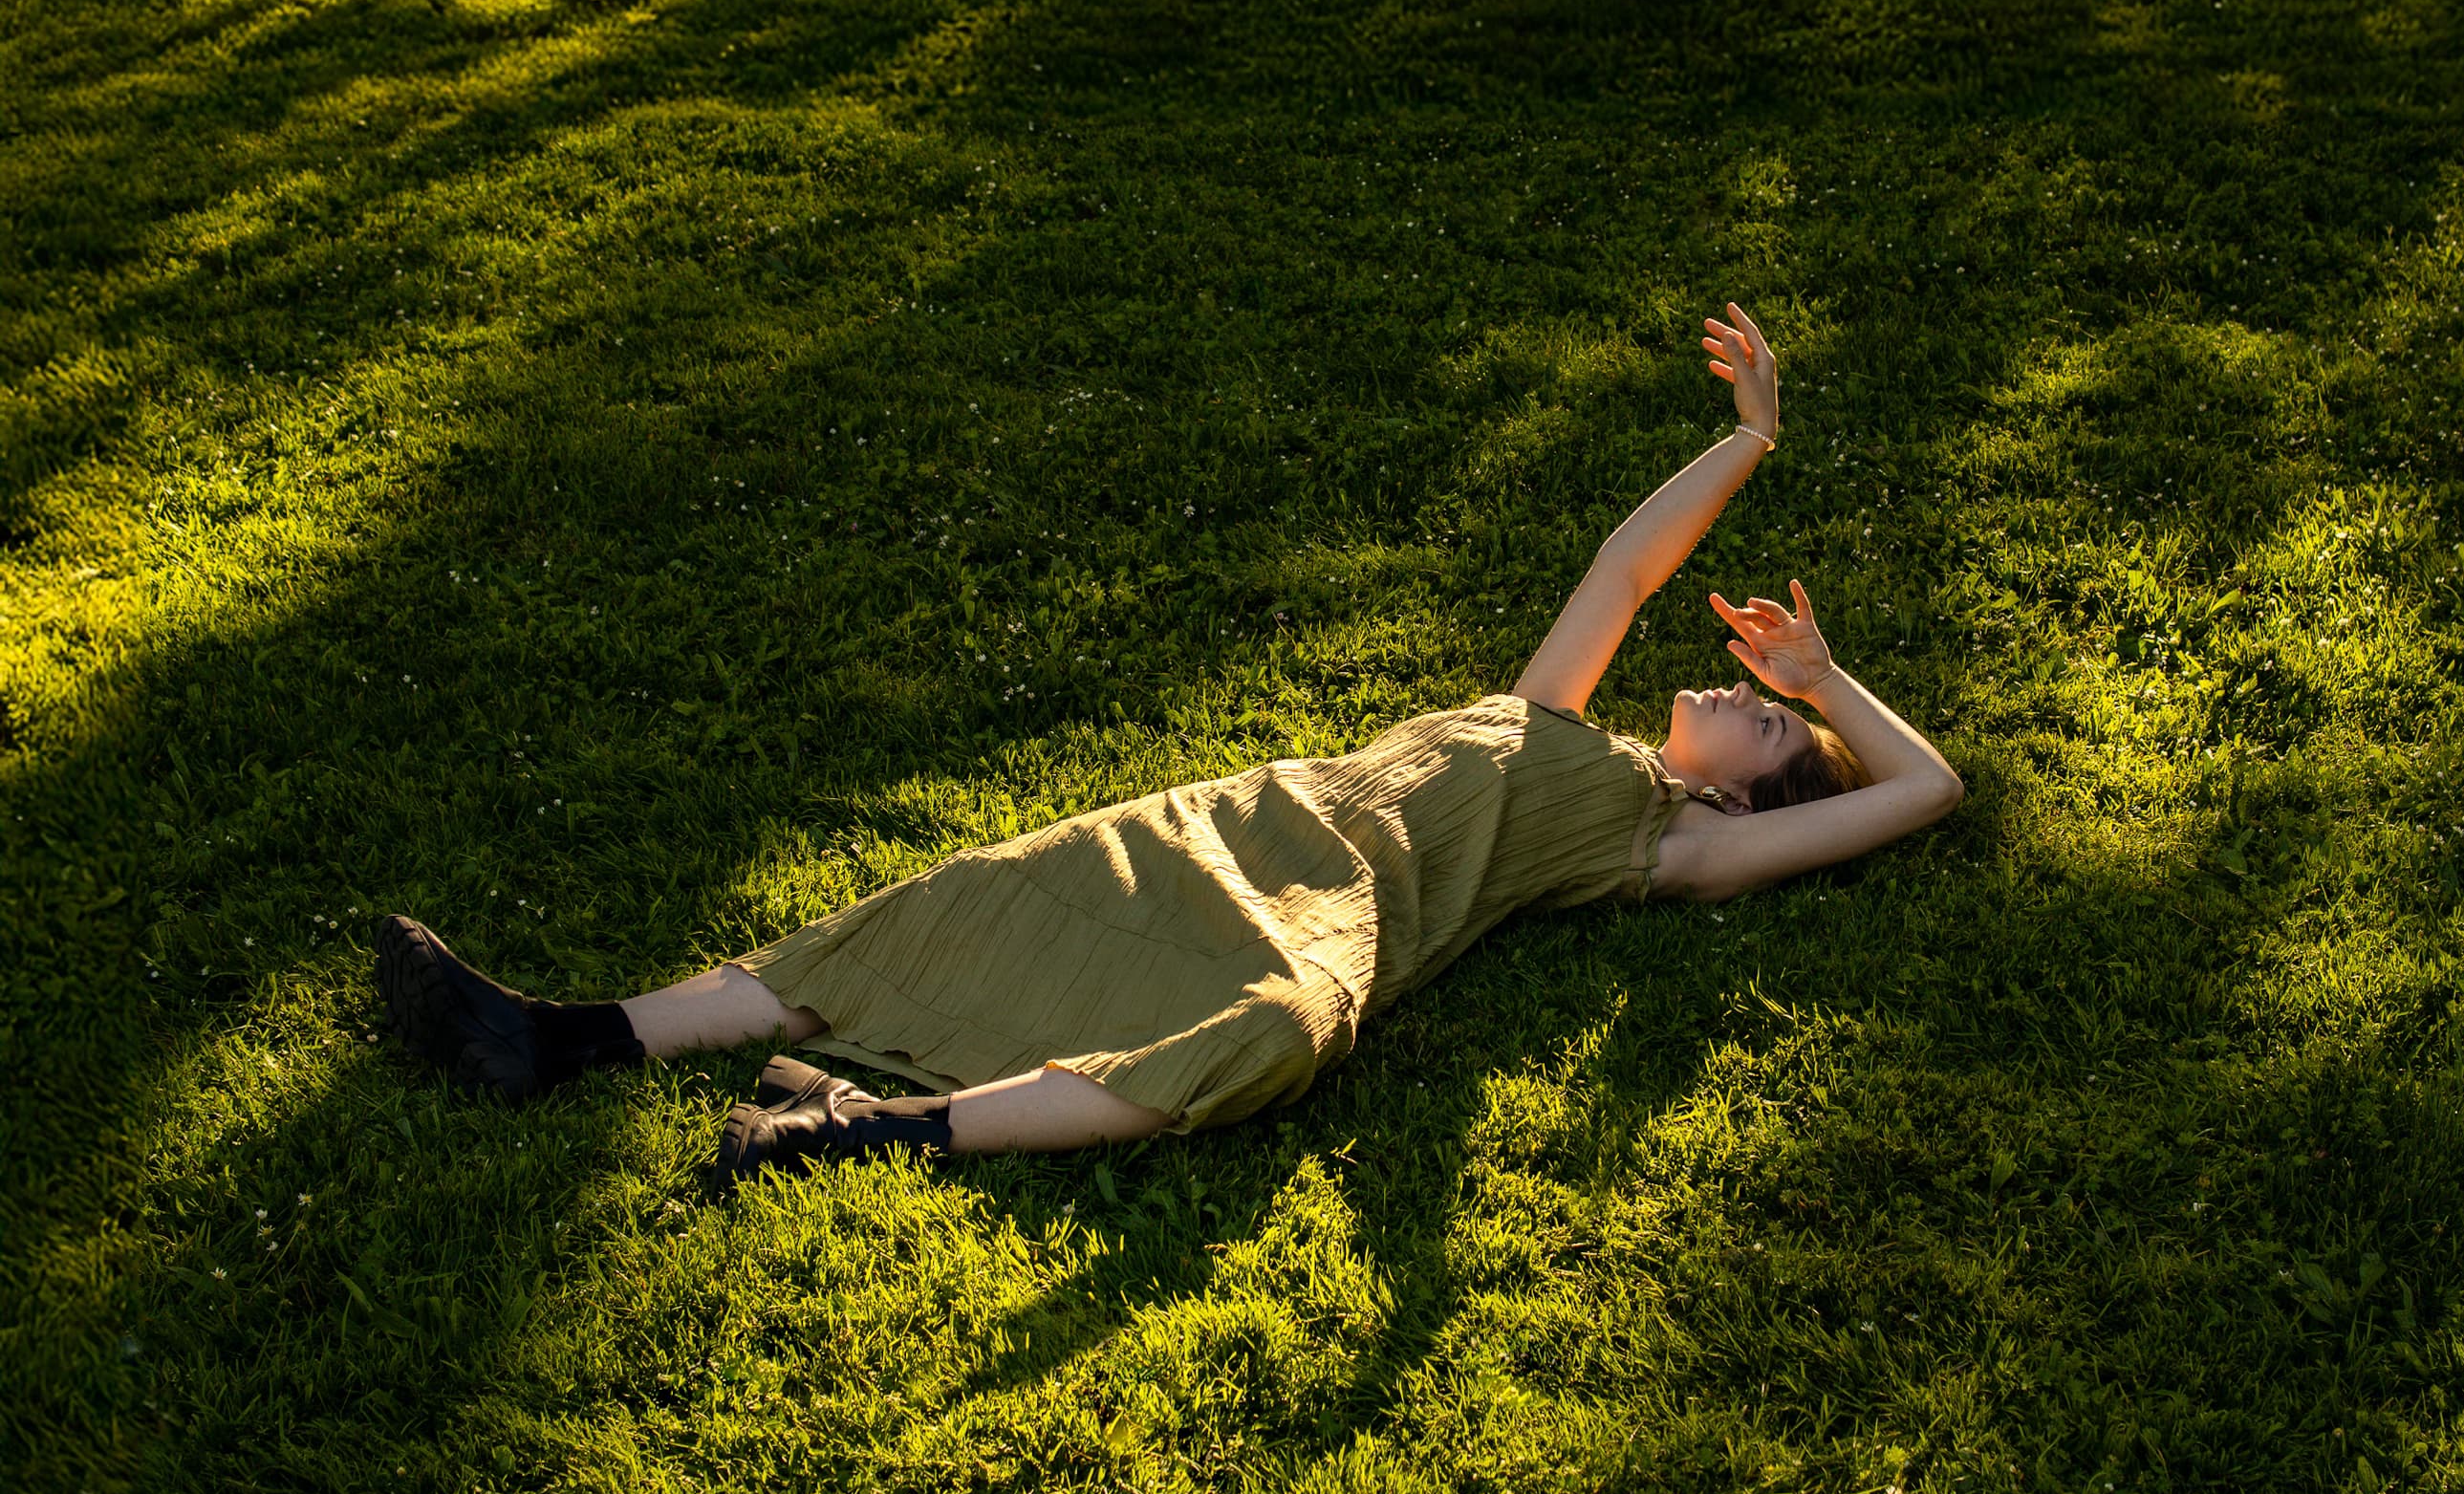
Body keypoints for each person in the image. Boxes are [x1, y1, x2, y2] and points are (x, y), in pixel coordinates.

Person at [374, 303, 1964, 1180]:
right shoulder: (1545, 708)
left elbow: (1928, 788)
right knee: (960, 896)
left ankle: (845, 1130)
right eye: (1769, 693)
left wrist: (1830, 686)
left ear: (1747, 796)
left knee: (1264, 1038)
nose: (1758, 692)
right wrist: (1747, 440)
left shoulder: (1662, 839)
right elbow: (1629, 565)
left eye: (1772, 725)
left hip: (1326, 915)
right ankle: (565, 1037)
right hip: (1234, 821)